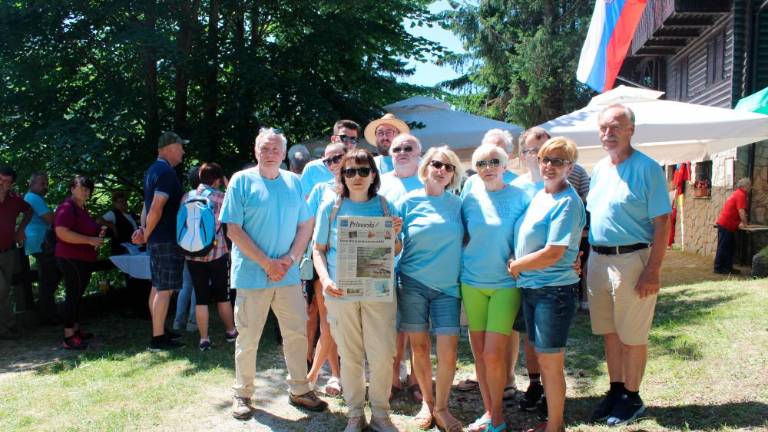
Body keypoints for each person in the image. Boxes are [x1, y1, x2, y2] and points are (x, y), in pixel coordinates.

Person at [221, 127, 327, 420]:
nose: (270, 154)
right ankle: (242, 394)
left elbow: (306, 224)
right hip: (252, 275)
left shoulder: (293, 181)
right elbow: (233, 229)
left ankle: (300, 389)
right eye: (265, 148)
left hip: (288, 274)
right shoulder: (241, 181)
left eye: (276, 149)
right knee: (248, 337)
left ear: (283, 154)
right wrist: (267, 263)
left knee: (296, 334)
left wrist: (290, 259)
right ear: (256, 151)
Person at [586, 104, 671, 426]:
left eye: (616, 127)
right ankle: (617, 390)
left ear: (631, 130)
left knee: (632, 335)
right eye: (604, 127)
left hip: (632, 260)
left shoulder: (648, 168)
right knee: (610, 332)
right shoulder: (600, 169)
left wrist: (653, 270)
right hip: (598, 259)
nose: (608, 133)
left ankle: (632, 397)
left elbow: (662, 222)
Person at [313, 149, 403, 432]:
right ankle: (354, 414)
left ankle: (380, 414)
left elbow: (397, 250)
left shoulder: (386, 207)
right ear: (342, 176)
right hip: (340, 293)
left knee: (382, 355)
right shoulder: (330, 207)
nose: (357, 177)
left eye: (363, 170)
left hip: (378, 292)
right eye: (350, 171)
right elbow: (318, 250)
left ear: (373, 175)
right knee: (350, 355)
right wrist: (325, 280)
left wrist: (394, 235)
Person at [508, 137, 586, 432]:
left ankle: (555, 425)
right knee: (543, 357)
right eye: (545, 159)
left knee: (551, 362)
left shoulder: (567, 201)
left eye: (558, 161)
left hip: (553, 291)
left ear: (570, 167)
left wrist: (517, 265)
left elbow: (554, 252)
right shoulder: (541, 194)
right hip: (533, 288)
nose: (550, 166)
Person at [461, 144, 529, 432]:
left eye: (493, 162)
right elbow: (461, 235)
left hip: (505, 284)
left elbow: (529, 236)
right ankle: (489, 413)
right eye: (481, 163)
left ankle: (497, 418)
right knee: (479, 354)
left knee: (492, 354)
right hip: (471, 283)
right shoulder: (468, 198)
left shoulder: (521, 196)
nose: (487, 167)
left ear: (505, 164)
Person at [396, 146, 464, 432]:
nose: (442, 170)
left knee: (448, 352)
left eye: (449, 167)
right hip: (412, 283)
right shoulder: (407, 201)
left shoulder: (459, 204)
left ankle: (442, 408)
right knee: (420, 348)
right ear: (426, 167)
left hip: (448, 288)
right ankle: (427, 402)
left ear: (453, 174)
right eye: (437, 164)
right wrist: (391, 235)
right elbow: (394, 246)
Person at [377, 133, 424, 401]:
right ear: (390, 154)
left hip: (419, 265)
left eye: (408, 148)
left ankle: (417, 380)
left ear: (419, 153)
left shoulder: (428, 180)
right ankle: (394, 378)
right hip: (384, 265)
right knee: (391, 327)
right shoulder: (380, 182)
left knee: (416, 327)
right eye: (397, 149)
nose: (402, 152)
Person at [132, 131, 187, 351]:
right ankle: (157, 339)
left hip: (157, 238)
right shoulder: (166, 173)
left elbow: (146, 206)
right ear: (170, 148)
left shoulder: (152, 170)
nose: (183, 152)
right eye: (181, 147)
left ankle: (160, 330)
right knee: (165, 289)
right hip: (165, 238)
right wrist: (146, 233)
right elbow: (156, 207)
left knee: (157, 286)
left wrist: (143, 229)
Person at [305, 142, 346, 396]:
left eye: (337, 158)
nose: (332, 164)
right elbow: (306, 223)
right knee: (328, 322)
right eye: (327, 160)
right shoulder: (321, 189)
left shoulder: (366, 186)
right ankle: (332, 375)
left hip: (358, 267)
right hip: (325, 267)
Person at [182, 163, 237, 351]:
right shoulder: (221, 197)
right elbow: (238, 206)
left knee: (201, 298)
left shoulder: (187, 197)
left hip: (192, 254)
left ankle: (204, 339)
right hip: (217, 253)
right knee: (223, 296)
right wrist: (228, 184)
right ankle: (230, 331)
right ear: (217, 179)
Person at [54, 176, 105, 349]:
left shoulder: (81, 209)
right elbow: (61, 232)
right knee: (72, 296)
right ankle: (68, 337)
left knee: (77, 295)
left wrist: (98, 232)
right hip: (71, 258)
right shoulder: (67, 207)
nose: (85, 191)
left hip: (82, 259)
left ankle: (75, 330)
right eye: (82, 188)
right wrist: (90, 240)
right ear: (72, 189)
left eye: (88, 189)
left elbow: (86, 229)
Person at [23, 171, 60, 325]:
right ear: (31, 183)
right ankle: (47, 315)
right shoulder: (34, 197)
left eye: (46, 184)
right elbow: (51, 219)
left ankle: (46, 312)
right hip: (41, 242)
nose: (45, 187)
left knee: (49, 277)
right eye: (42, 183)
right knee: (49, 278)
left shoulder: (31, 197)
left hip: (38, 242)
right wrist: (60, 212)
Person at [0, 165, 32, 340]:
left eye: (6, 181)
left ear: (11, 184)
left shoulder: (14, 198)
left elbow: (29, 210)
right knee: (1, 288)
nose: (2, 184)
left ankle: (9, 325)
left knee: (4, 291)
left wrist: (20, 230)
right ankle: (5, 327)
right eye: (0, 179)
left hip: (7, 251)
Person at [301, 120, 361, 197]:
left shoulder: (363, 167)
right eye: (344, 138)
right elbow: (304, 199)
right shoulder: (312, 168)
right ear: (333, 139)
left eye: (353, 139)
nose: (348, 143)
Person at [173, 166, 200, 332]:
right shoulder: (207, 196)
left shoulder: (185, 197)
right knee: (198, 284)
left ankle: (178, 321)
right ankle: (192, 321)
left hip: (185, 244)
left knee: (186, 284)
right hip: (201, 245)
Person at [460, 129, 518, 199]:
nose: (491, 154)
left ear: (509, 155)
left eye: (498, 151)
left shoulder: (518, 182)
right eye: (487, 149)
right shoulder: (471, 182)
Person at [713, 178, 751, 275]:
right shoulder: (741, 195)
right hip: (726, 224)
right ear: (744, 186)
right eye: (749, 185)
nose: (750, 187)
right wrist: (746, 225)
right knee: (724, 246)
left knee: (729, 246)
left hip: (727, 223)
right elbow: (741, 211)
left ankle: (727, 267)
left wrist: (740, 223)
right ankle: (719, 267)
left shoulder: (737, 193)